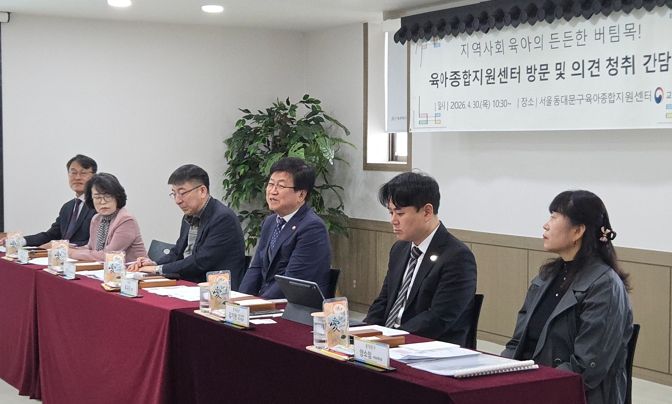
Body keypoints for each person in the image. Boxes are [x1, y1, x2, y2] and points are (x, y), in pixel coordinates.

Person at [502, 190, 633, 404]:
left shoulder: (605, 285)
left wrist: (532, 388)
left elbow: (585, 367)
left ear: (578, 231)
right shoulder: (547, 276)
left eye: (554, 217)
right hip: (531, 385)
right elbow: (517, 343)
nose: (546, 225)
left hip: (570, 394)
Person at [364, 172, 477, 345]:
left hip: (428, 348)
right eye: (391, 212)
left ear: (427, 212)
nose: (393, 220)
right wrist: (363, 332)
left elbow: (438, 318)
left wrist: (390, 339)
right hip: (390, 342)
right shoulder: (400, 249)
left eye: (400, 213)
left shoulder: (457, 256)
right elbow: (384, 301)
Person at [127, 164, 245, 287]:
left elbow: (201, 261)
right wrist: (154, 263)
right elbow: (177, 252)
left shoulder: (222, 218)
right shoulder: (189, 216)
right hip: (189, 284)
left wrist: (157, 269)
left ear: (202, 191)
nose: (177, 200)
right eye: (174, 194)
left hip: (216, 289)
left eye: (182, 193)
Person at [239, 157, 331, 299]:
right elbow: (256, 268)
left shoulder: (312, 228)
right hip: (266, 302)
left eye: (280, 186)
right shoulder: (270, 222)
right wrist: (238, 300)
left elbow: (292, 281)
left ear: (301, 195)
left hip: (294, 305)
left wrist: (259, 304)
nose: (272, 191)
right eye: (271, 184)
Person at [23, 154, 98, 247]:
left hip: (84, 255)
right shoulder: (67, 207)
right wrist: (21, 241)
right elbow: (51, 235)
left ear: (94, 177)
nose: (77, 177)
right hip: (61, 255)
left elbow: (96, 242)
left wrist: (61, 245)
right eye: (73, 173)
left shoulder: (98, 205)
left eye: (83, 173)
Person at [69, 173, 147, 262]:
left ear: (117, 197)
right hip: (105, 268)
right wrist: (69, 249)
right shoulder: (96, 219)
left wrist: (72, 253)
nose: (103, 202)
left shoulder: (126, 220)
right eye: (97, 197)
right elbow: (91, 248)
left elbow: (108, 255)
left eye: (107, 196)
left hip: (133, 269)